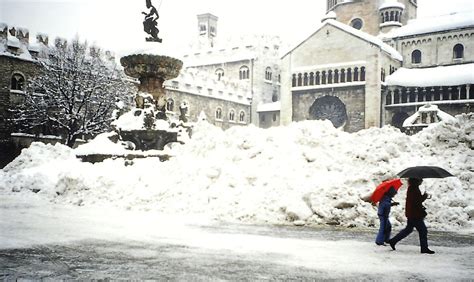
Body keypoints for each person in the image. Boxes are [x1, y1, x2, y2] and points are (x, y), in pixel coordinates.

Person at [388, 178, 435, 254]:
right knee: (423, 231)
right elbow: (416, 201)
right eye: (420, 179)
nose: (422, 181)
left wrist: (422, 197)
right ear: (416, 180)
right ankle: (424, 248)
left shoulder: (413, 188)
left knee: (408, 229)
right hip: (415, 214)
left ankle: (393, 241)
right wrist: (424, 197)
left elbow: (416, 201)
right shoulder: (414, 189)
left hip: (412, 213)